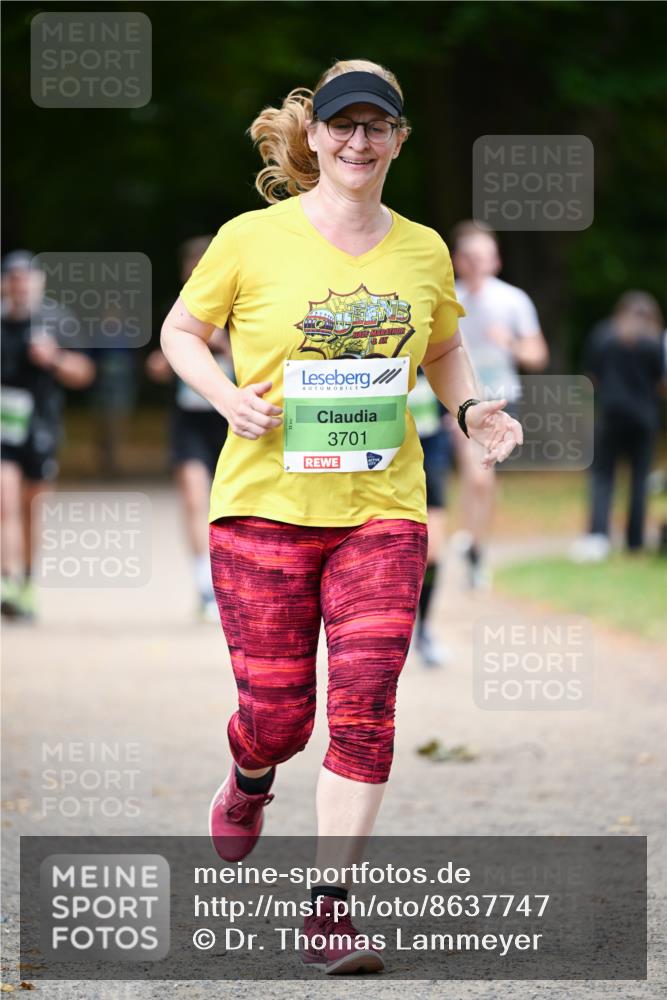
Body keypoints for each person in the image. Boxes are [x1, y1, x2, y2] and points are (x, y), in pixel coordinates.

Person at [160, 59, 522, 976]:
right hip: (263, 512)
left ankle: (329, 906)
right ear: (315, 137)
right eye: (342, 126)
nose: (358, 141)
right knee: (280, 716)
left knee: (365, 708)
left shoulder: (425, 250)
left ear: (398, 139)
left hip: (382, 511)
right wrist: (225, 398)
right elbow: (179, 334)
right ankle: (250, 775)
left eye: (377, 127)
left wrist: (471, 408)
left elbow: (442, 345)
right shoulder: (251, 238)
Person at [450, 221, 548, 588]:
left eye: (486, 256)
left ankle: (477, 547)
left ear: (497, 260)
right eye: (471, 256)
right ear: (459, 260)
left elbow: (538, 355)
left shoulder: (513, 300)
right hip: (463, 401)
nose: (479, 264)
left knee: (485, 481)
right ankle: (474, 549)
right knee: (477, 476)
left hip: (504, 400)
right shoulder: (450, 298)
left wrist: (509, 343)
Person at [1, 250, 95, 621]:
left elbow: (84, 373)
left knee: (31, 509)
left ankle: (26, 582)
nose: (19, 284)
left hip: (41, 426)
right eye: (12, 278)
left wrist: (53, 358)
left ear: (39, 282)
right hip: (4, 429)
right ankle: (7, 580)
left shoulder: (56, 320)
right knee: (4, 501)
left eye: (26, 277)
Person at [146, 237, 234, 622]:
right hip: (189, 421)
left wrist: (219, 342)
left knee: (228, 506)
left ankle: (231, 580)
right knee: (195, 500)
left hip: (231, 418)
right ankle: (204, 585)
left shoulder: (239, 308)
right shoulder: (176, 313)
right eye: (192, 268)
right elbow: (154, 365)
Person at [570, 291, 665, 561]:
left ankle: (598, 536)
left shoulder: (604, 335)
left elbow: (591, 377)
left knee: (602, 477)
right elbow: (661, 381)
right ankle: (634, 542)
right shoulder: (654, 340)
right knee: (639, 479)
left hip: (610, 415)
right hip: (644, 418)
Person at [407, 367, 453, 667]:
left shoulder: (435, 349)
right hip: (380, 469)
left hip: (430, 460)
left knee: (432, 551)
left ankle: (423, 629)